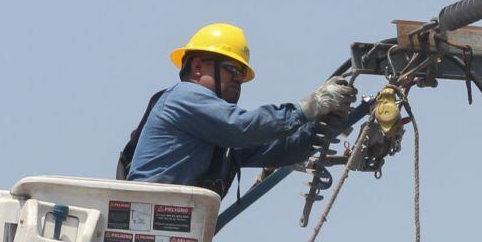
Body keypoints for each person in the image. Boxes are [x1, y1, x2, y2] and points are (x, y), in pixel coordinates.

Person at [119, 23, 356, 195]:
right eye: (232, 68)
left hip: (172, 230)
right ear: (198, 67)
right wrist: (310, 106)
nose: (239, 78)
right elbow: (243, 126)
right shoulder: (184, 97)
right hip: (148, 219)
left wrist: (322, 124)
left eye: (242, 73)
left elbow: (281, 149)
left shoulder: (215, 136)